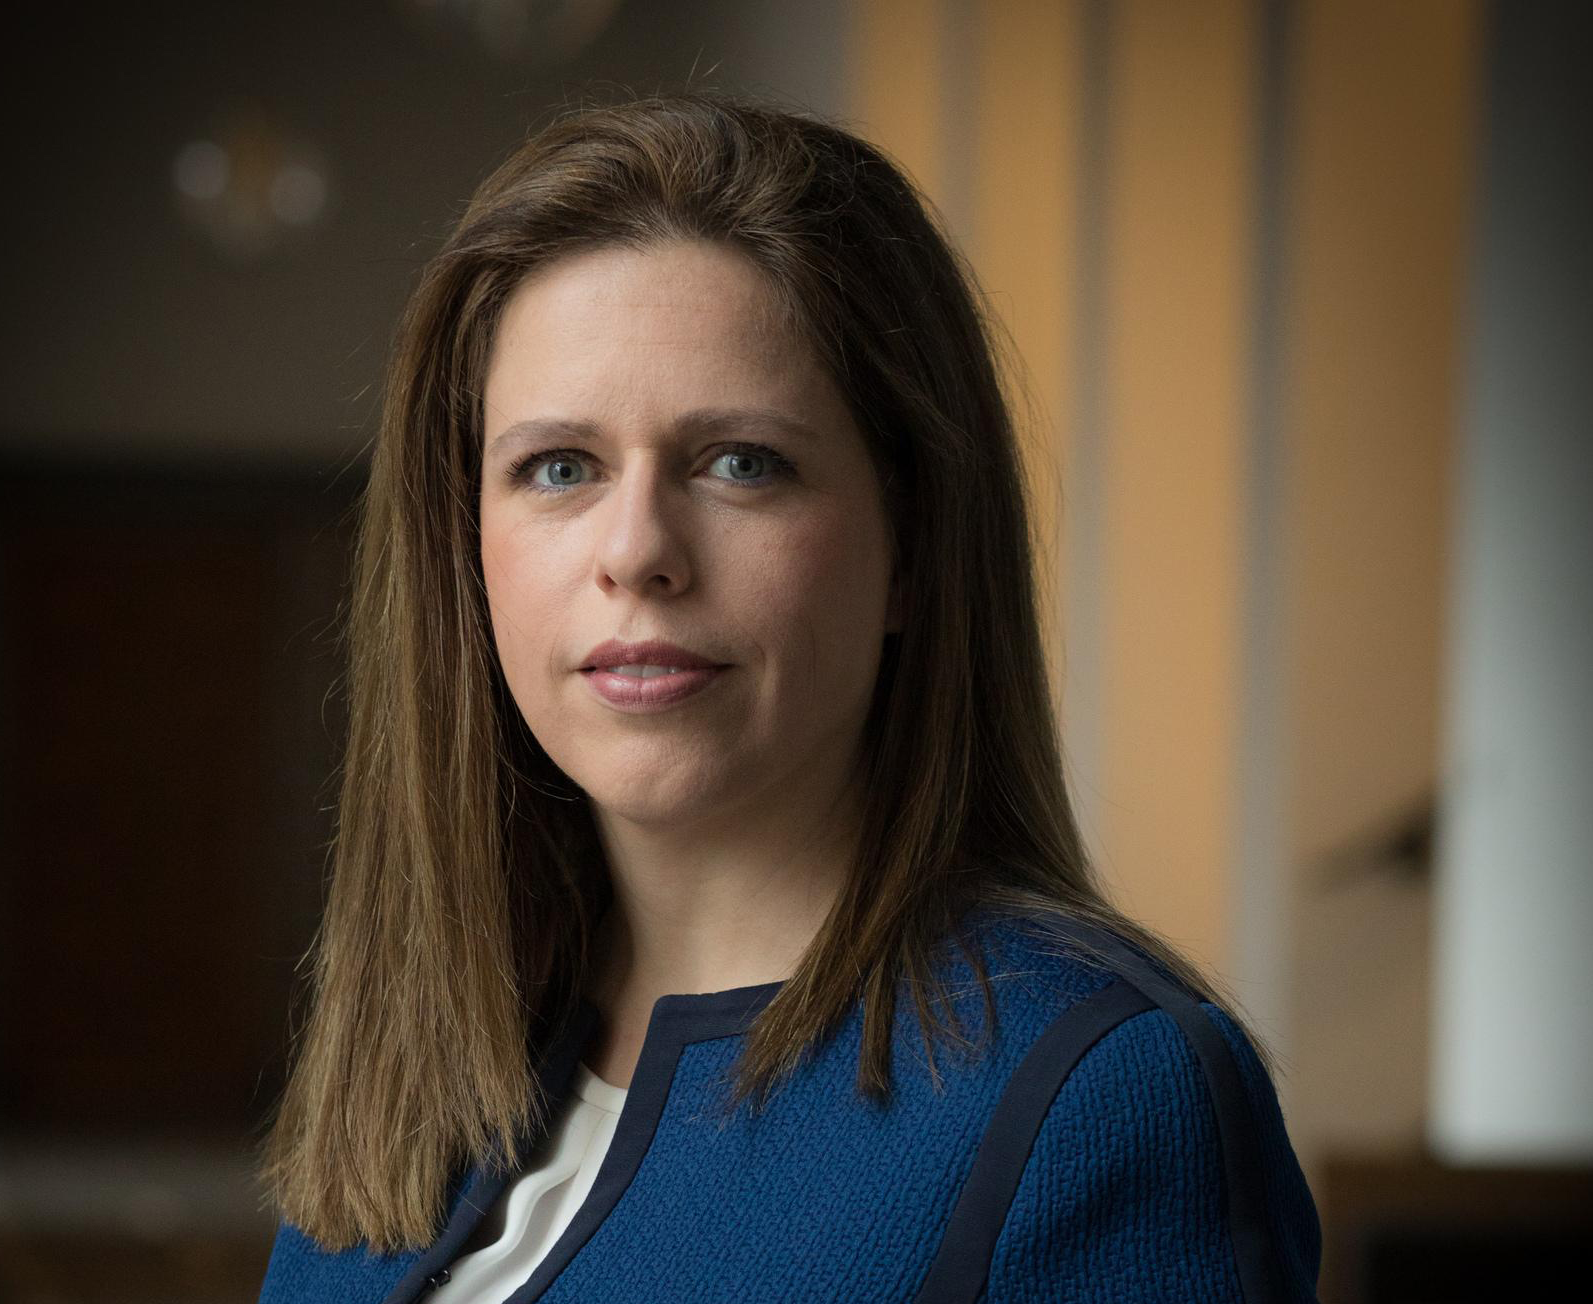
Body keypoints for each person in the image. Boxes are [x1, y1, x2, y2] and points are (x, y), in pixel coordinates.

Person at [255, 91, 1321, 1303]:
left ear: (910, 547)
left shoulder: (1102, 1091)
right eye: (559, 467)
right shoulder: (417, 1071)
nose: (638, 548)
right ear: (465, 545)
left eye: (740, 462)